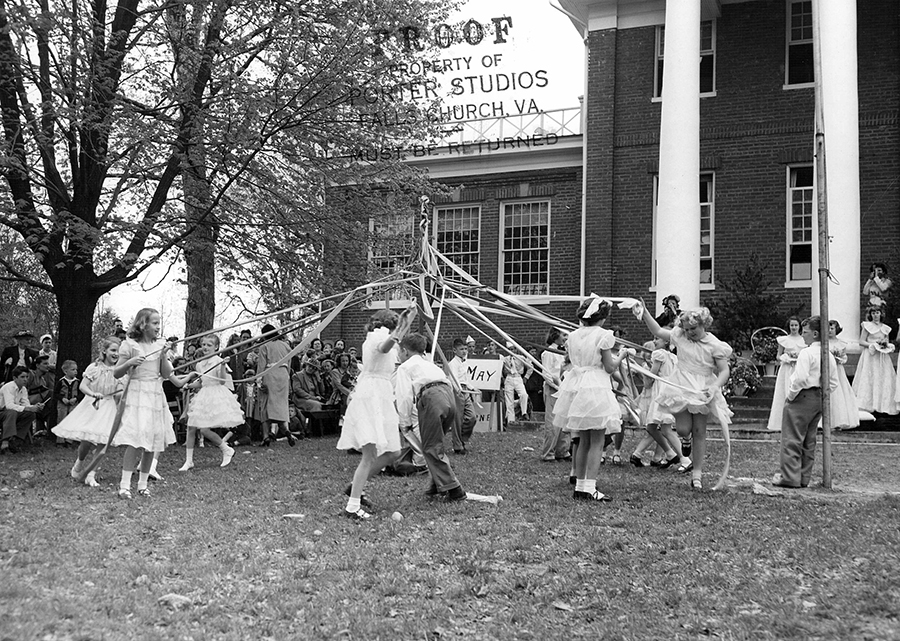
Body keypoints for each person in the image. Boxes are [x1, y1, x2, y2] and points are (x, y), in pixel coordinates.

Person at [636, 304, 732, 490]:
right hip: (681, 385)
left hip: (702, 388)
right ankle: (684, 439)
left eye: (693, 329)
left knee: (699, 431)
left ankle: (697, 474)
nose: (689, 333)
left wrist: (714, 387)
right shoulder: (680, 337)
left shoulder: (714, 345)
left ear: (704, 324)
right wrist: (644, 312)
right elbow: (657, 330)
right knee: (682, 429)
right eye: (686, 330)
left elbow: (724, 371)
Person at [336, 307, 414, 520]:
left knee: (393, 452)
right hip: (372, 397)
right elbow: (385, 346)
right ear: (387, 325)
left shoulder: (386, 336)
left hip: (381, 396)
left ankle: (355, 486)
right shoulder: (376, 338)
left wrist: (408, 321)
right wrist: (401, 327)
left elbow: (393, 342)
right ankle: (352, 506)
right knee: (369, 455)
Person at [112, 308, 196, 499]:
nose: (158, 327)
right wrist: (130, 362)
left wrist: (164, 355)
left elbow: (166, 374)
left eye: (159, 323)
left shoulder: (160, 345)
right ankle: (125, 485)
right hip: (137, 393)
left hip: (155, 394)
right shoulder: (130, 344)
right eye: (155, 323)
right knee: (135, 439)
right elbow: (117, 373)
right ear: (143, 324)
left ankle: (142, 485)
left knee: (152, 440)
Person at [554, 297, 629, 502]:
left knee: (584, 440)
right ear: (603, 318)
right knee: (596, 440)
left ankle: (580, 485)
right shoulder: (604, 335)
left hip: (577, 384)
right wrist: (621, 356)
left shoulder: (573, 335)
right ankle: (590, 487)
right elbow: (609, 367)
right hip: (595, 384)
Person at [396, 333, 467, 503]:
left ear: (405, 351)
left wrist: (404, 422)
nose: (398, 355)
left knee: (430, 446)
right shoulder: (430, 365)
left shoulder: (404, 368)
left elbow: (404, 396)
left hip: (431, 397)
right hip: (449, 397)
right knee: (436, 442)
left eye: (399, 351)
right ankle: (437, 484)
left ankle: (455, 489)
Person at [772, 317, 839, 488]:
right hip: (819, 398)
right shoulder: (828, 354)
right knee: (809, 439)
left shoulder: (807, 353)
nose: (803, 335)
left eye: (805, 332)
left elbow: (800, 378)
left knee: (792, 437)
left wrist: (791, 395)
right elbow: (833, 382)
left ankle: (789, 478)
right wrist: (823, 395)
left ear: (815, 334)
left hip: (802, 396)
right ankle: (804, 477)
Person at [52, 338, 123, 487]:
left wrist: (121, 394)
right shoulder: (94, 367)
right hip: (92, 405)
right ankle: (79, 463)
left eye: (118, 351)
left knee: (103, 442)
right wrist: (93, 394)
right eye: (113, 350)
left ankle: (91, 474)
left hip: (108, 407)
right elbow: (83, 386)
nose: (116, 354)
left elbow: (118, 392)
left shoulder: (120, 371)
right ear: (104, 351)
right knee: (87, 441)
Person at [179, 334, 241, 471]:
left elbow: (222, 381)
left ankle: (226, 449)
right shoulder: (200, 364)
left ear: (216, 347)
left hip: (215, 394)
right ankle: (189, 461)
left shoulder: (219, 360)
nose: (205, 347)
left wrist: (223, 366)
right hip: (204, 395)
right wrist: (189, 386)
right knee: (191, 426)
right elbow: (202, 382)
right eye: (203, 345)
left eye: (209, 345)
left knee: (204, 430)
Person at [631, 336, 690, 469]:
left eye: (658, 338)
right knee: (654, 427)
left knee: (665, 429)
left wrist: (644, 374)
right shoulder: (673, 357)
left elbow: (651, 377)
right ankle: (671, 454)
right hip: (669, 391)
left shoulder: (659, 354)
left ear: (666, 342)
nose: (655, 341)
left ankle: (685, 459)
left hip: (661, 393)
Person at [852, 305, 897, 414]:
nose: (875, 315)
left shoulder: (885, 328)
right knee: (869, 376)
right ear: (870, 314)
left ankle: (883, 404)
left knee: (883, 377)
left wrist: (885, 346)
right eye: (873, 313)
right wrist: (872, 345)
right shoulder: (867, 326)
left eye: (877, 313)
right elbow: (861, 341)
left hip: (882, 356)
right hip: (870, 355)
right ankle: (867, 404)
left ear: (881, 314)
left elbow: (885, 340)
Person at [765, 317, 806, 432]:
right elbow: (778, 355)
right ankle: (782, 422)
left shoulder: (804, 340)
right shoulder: (783, 340)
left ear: (799, 327)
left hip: (799, 368)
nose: (793, 328)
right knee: (785, 392)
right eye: (792, 325)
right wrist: (786, 358)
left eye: (796, 325)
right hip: (787, 369)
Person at [257, 324, 294, 446]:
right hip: (283, 376)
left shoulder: (264, 346)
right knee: (282, 405)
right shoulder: (286, 346)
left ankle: (266, 437)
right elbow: (288, 365)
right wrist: (287, 379)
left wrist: (259, 382)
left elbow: (261, 366)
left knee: (266, 405)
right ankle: (287, 430)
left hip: (270, 375)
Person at [539, 327, 570, 462]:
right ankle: (548, 453)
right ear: (556, 335)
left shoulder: (564, 353)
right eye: (564, 334)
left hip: (564, 389)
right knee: (552, 421)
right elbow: (547, 374)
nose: (565, 338)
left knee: (564, 419)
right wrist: (558, 386)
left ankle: (562, 451)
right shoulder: (548, 353)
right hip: (553, 389)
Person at [0, 366, 42, 453]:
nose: (25, 379)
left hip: (13, 413)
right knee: (12, 412)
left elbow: (25, 404)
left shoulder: (23, 389)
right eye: (22, 377)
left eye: (27, 377)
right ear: (15, 378)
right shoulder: (8, 387)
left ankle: (16, 440)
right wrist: (26, 408)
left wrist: (34, 407)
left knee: (31, 414)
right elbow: (9, 405)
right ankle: (5, 442)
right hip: (3, 412)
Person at [828, 320, 860, 431]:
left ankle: (839, 420)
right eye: (828, 328)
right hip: (827, 369)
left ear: (836, 330)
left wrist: (839, 359)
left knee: (840, 390)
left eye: (832, 328)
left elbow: (844, 357)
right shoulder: (824, 343)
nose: (830, 331)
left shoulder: (841, 343)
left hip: (837, 369)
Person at [447, 338, 476, 455]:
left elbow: (465, 378)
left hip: (466, 391)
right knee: (457, 419)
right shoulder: (452, 364)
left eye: (465, 349)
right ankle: (458, 446)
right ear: (455, 350)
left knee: (471, 417)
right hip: (457, 391)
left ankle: (462, 439)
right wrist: (458, 389)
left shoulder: (465, 362)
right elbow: (453, 378)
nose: (464, 351)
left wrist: (473, 388)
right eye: (461, 349)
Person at [27, 354, 56, 436]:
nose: (48, 366)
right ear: (37, 365)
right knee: (51, 394)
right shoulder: (30, 375)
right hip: (28, 403)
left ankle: (45, 431)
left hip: (40, 404)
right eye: (45, 364)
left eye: (48, 363)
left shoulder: (43, 380)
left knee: (50, 409)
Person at [502, 344, 531, 425]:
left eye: (513, 349)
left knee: (524, 395)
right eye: (509, 349)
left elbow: (530, 366)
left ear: (516, 350)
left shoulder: (521, 358)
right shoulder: (505, 359)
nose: (512, 351)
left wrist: (526, 377)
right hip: (509, 378)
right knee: (509, 400)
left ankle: (524, 412)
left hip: (518, 377)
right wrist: (503, 377)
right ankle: (510, 420)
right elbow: (500, 368)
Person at [53, 360, 80, 428]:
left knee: (72, 421)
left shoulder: (77, 382)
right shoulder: (61, 381)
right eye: (73, 369)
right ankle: (60, 438)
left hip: (74, 405)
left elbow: (81, 394)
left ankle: (70, 438)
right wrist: (62, 398)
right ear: (65, 371)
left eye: (76, 369)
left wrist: (76, 398)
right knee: (61, 421)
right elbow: (55, 393)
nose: (75, 371)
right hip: (62, 405)